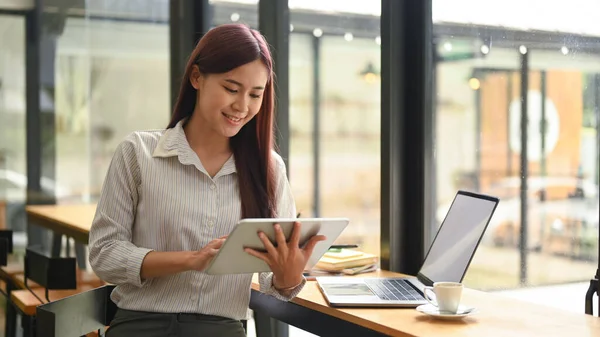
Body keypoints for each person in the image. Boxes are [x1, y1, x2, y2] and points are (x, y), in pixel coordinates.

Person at [88, 23, 326, 337]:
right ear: (197, 77)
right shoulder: (138, 153)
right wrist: (190, 260)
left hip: (222, 329)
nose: (242, 106)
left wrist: (290, 273)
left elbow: (276, 286)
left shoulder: (269, 168)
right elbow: (104, 255)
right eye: (231, 89)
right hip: (140, 325)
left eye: (255, 94)